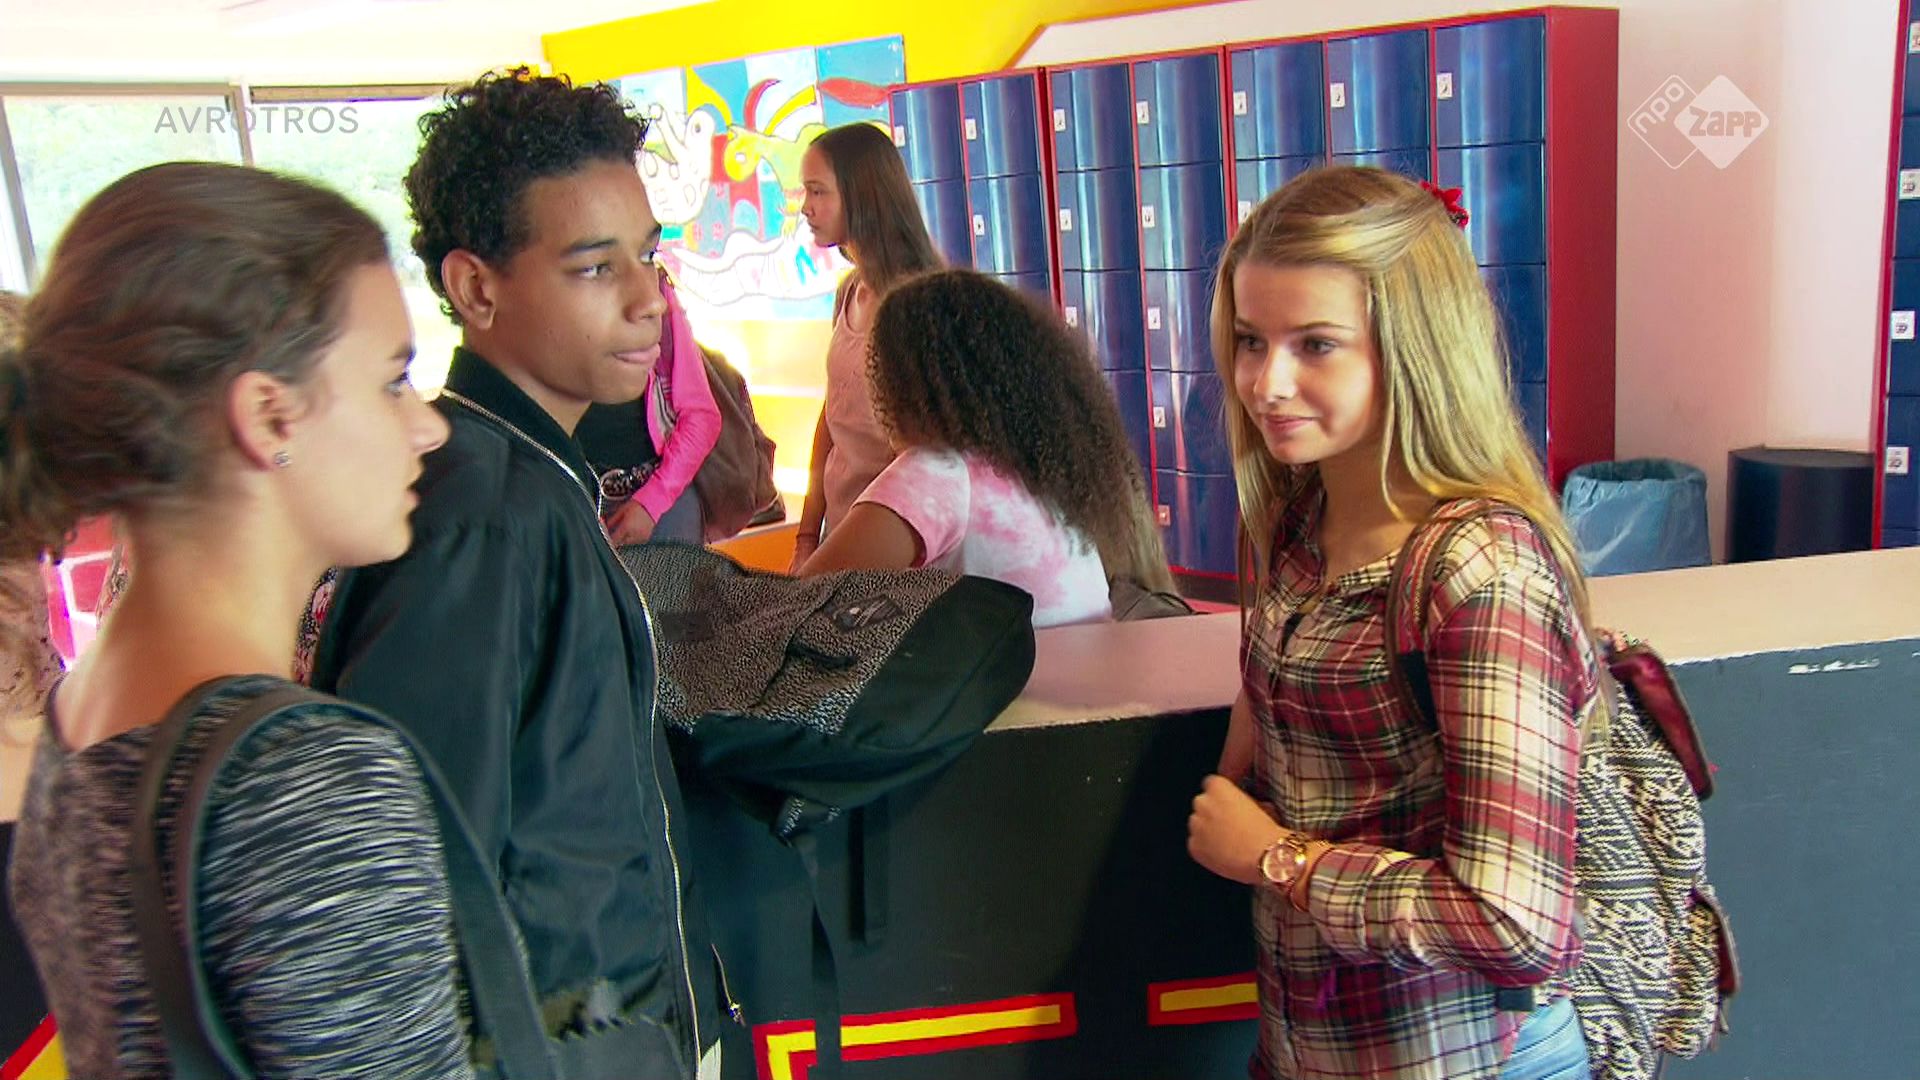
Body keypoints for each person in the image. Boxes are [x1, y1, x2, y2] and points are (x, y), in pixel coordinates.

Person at [3, 162, 468, 1077]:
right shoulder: (304, 772)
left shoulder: (80, 715)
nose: (429, 428)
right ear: (268, 415)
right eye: (393, 380)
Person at [306, 69, 727, 1078]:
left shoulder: (536, 480)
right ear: (476, 289)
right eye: (593, 268)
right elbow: (422, 869)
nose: (648, 301)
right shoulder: (485, 514)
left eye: (648, 256)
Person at [1184, 166, 1600, 1080]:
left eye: (1316, 344)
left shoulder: (1480, 574)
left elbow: (1516, 924)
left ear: (1414, 348)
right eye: (1251, 341)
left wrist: (1281, 860)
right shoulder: (1302, 516)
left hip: (1468, 1058)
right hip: (1319, 1046)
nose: (1267, 383)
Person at [799, 269, 1174, 628]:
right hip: (1084, 668)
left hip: (1027, 675)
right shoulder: (1040, 468)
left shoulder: (939, 475)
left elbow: (797, 606)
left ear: (899, 386)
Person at [788, 122, 945, 571]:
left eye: (818, 191)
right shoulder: (848, 292)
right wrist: (806, 536)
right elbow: (832, 418)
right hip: (839, 531)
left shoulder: (917, 303)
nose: (805, 207)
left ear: (861, 195)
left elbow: (921, 456)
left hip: (893, 545)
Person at [577, 266, 721, 545]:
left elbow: (701, 416)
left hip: (660, 500)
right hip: (574, 500)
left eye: (647, 255)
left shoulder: (656, 294)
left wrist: (652, 502)